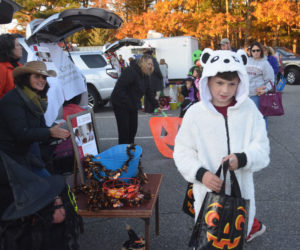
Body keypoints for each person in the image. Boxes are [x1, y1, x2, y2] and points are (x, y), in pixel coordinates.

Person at [174, 48, 270, 244]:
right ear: (207, 80)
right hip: (207, 197)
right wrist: (201, 174)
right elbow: (182, 152)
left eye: (231, 84)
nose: (224, 90)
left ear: (240, 83)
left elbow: (262, 149)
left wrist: (242, 158)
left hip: (240, 195)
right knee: (206, 241)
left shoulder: (250, 110)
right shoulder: (195, 114)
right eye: (219, 83)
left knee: (235, 241)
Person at [0, 61, 82, 249]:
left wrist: (56, 133)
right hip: (11, 161)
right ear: (25, 78)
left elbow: (36, 130)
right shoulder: (13, 100)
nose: (42, 80)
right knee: (50, 198)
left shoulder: (35, 99)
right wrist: (49, 133)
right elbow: (21, 133)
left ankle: (53, 237)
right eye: (37, 76)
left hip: (29, 156)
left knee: (56, 195)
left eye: (44, 77)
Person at [111, 54, 160, 144]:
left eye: (152, 64)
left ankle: (130, 148)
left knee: (133, 129)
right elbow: (120, 89)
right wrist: (130, 103)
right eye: (149, 64)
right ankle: (124, 152)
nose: (151, 66)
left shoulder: (145, 75)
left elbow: (148, 92)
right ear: (143, 63)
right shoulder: (131, 71)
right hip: (121, 103)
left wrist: (156, 106)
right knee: (124, 131)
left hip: (132, 104)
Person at [246, 42, 274, 130]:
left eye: (257, 50)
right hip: (246, 95)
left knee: (260, 117)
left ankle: (263, 138)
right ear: (250, 52)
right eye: (253, 50)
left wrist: (265, 90)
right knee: (249, 118)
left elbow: (270, 81)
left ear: (261, 51)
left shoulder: (265, 64)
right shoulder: (246, 62)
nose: (255, 52)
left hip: (257, 96)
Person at [0, 33, 22, 99]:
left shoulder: (20, 67)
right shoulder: (1, 68)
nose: (21, 47)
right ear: (9, 48)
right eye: (17, 45)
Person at [143, 49, 163, 113]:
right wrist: (160, 76)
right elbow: (157, 69)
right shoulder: (153, 59)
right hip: (153, 79)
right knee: (152, 94)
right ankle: (150, 109)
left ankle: (147, 109)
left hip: (146, 78)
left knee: (147, 94)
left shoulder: (144, 60)